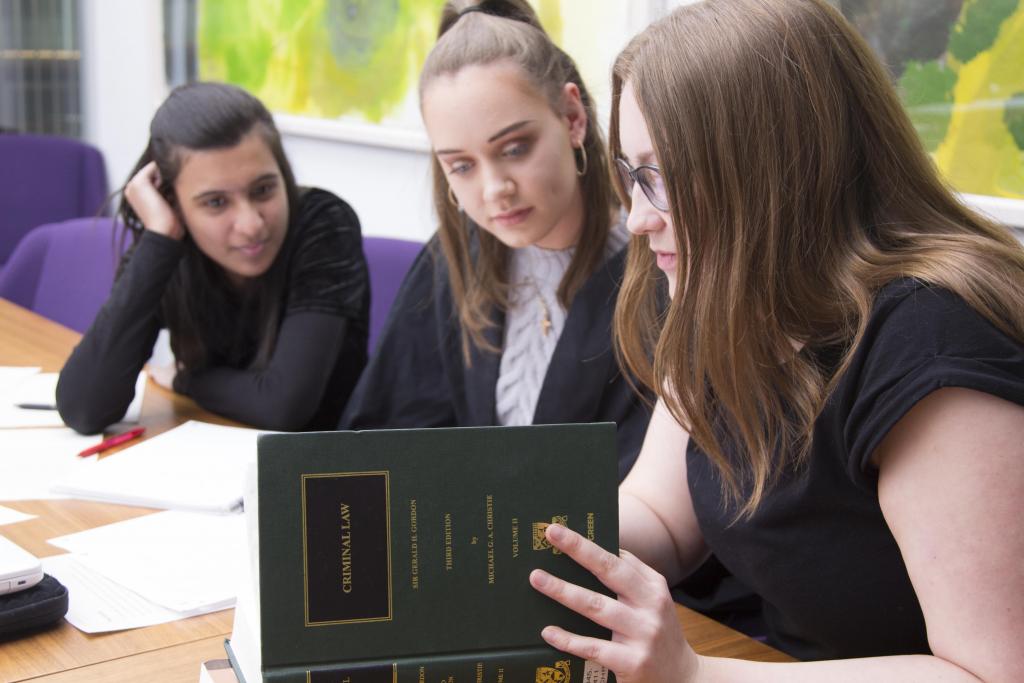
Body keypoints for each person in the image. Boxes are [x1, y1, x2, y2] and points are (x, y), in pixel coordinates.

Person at [528, 0, 1024, 679]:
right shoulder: (725, 295)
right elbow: (660, 516)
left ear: (772, 171)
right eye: (629, 175)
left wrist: (698, 673)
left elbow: (991, 671)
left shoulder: (936, 341)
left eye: (661, 177)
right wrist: (529, 539)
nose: (639, 219)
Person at [340, 0, 651, 480]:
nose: (494, 190)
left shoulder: (654, 274)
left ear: (572, 117)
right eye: (461, 165)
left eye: (514, 148)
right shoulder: (453, 260)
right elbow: (384, 440)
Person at [57, 82, 369, 433]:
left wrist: (186, 380)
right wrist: (160, 240)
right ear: (171, 200)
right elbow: (84, 408)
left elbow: (283, 407)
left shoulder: (324, 223)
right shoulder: (168, 242)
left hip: (317, 469)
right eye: (216, 202)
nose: (251, 225)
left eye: (263, 190)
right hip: (212, 455)